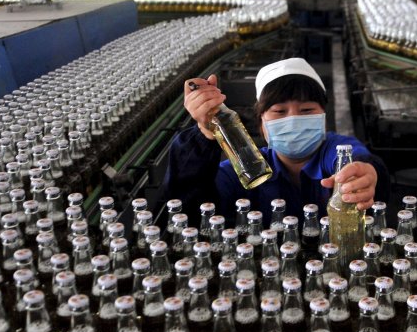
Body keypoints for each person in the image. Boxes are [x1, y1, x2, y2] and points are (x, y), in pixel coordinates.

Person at [163, 57, 390, 223]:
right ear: (262, 125)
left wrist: (367, 174)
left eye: (307, 109)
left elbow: (358, 162)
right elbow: (189, 203)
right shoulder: (248, 169)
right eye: (279, 112)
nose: (293, 120)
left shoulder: (335, 151)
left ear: (323, 117)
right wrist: (205, 130)